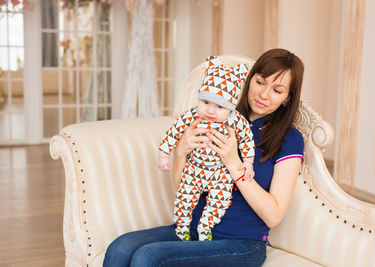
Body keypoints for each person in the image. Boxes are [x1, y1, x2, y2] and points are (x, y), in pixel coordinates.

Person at [103, 48, 305, 267]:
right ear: (249, 81)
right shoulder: (217, 116)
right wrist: (181, 151)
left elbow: (273, 216)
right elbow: (184, 185)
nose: (264, 94)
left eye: (277, 90)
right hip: (193, 228)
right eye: (260, 82)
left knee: (148, 258)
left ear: (287, 98)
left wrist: (233, 162)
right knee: (120, 247)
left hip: (241, 243)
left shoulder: (290, 140)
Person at [158, 56, 255, 242]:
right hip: (194, 168)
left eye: (219, 106)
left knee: (221, 199)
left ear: (230, 109)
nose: (210, 111)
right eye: (206, 103)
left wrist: (248, 163)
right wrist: (164, 154)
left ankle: (206, 226)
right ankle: (183, 227)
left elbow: (247, 140)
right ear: (199, 99)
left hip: (220, 172)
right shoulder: (193, 114)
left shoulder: (235, 120)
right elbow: (173, 131)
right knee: (184, 200)